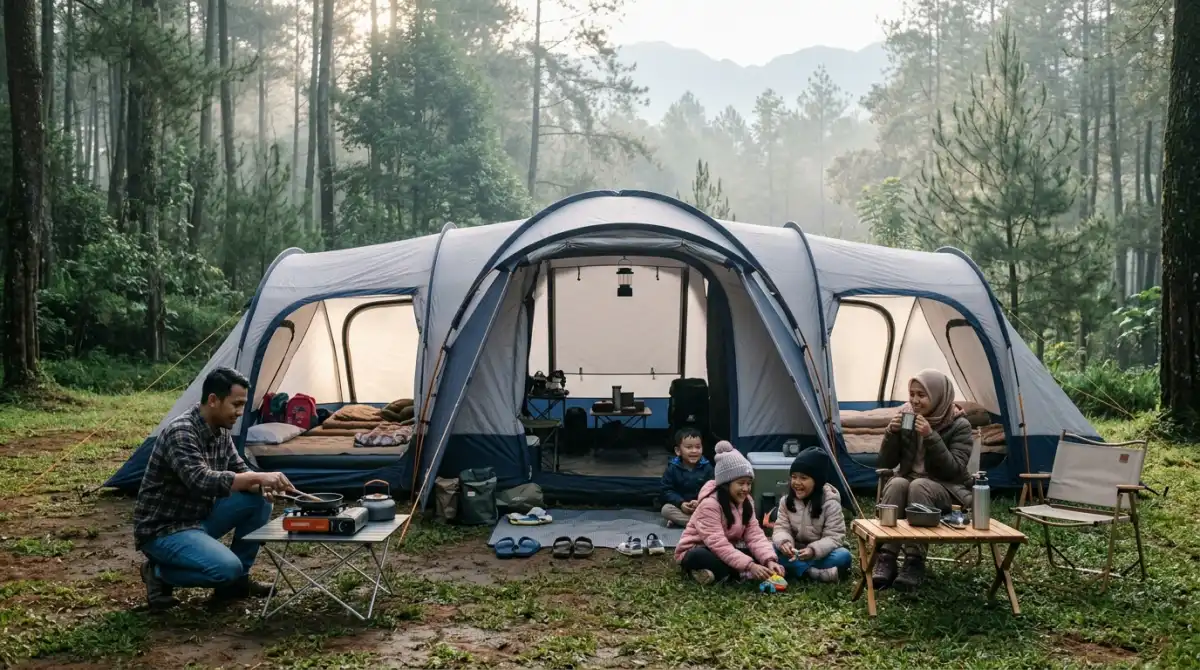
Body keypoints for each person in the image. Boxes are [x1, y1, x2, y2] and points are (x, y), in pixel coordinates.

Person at [134, 367, 296, 610]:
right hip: (165, 529)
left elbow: (241, 471)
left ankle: (237, 584)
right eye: (236, 404)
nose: (240, 412)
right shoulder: (181, 432)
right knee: (226, 569)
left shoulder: (220, 431)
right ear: (213, 400)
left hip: (199, 518)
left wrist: (261, 485)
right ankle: (157, 573)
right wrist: (260, 477)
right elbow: (201, 480)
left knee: (260, 499)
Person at [872, 368, 974, 591]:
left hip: (947, 489)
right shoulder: (908, 418)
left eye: (922, 395)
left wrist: (930, 436)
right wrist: (891, 433)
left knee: (919, 485)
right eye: (912, 394)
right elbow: (885, 464)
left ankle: (914, 561)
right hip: (910, 483)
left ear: (938, 396)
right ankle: (887, 557)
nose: (915, 401)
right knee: (898, 482)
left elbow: (955, 470)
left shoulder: (959, 425)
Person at [674, 441, 784, 585]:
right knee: (699, 556)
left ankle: (720, 575)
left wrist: (769, 560)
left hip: (727, 549)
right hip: (700, 550)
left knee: (764, 551)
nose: (746, 488)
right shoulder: (709, 505)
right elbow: (718, 544)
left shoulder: (747, 502)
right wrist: (750, 565)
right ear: (726, 484)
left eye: (749, 483)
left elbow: (755, 535)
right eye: (741, 483)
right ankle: (734, 574)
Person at [771, 447, 852, 583]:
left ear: (817, 481)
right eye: (794, 477)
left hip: (819, 554)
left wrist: (813, 550)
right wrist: (785, 543)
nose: (797, 482)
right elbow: (781, 528)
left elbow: (834, 536)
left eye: (803, 478)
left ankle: (796, 570)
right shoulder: (786, 501)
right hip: (794, 551)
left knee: (843, 556)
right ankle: (813, 573)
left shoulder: (830, 503)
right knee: (770, 549)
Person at [660, 428, 714, 527]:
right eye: (689, 447)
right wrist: (681, 503)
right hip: (681, 507)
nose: (694, 451)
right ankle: (701, 524)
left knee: (719, 507)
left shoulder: (707, 467)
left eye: (698, 447)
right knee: (666, 509)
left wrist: (700, 502)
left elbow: (713, 490)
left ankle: (686, 523)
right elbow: (666, 490)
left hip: (702, 506)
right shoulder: (672, 468)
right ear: (678, 451)